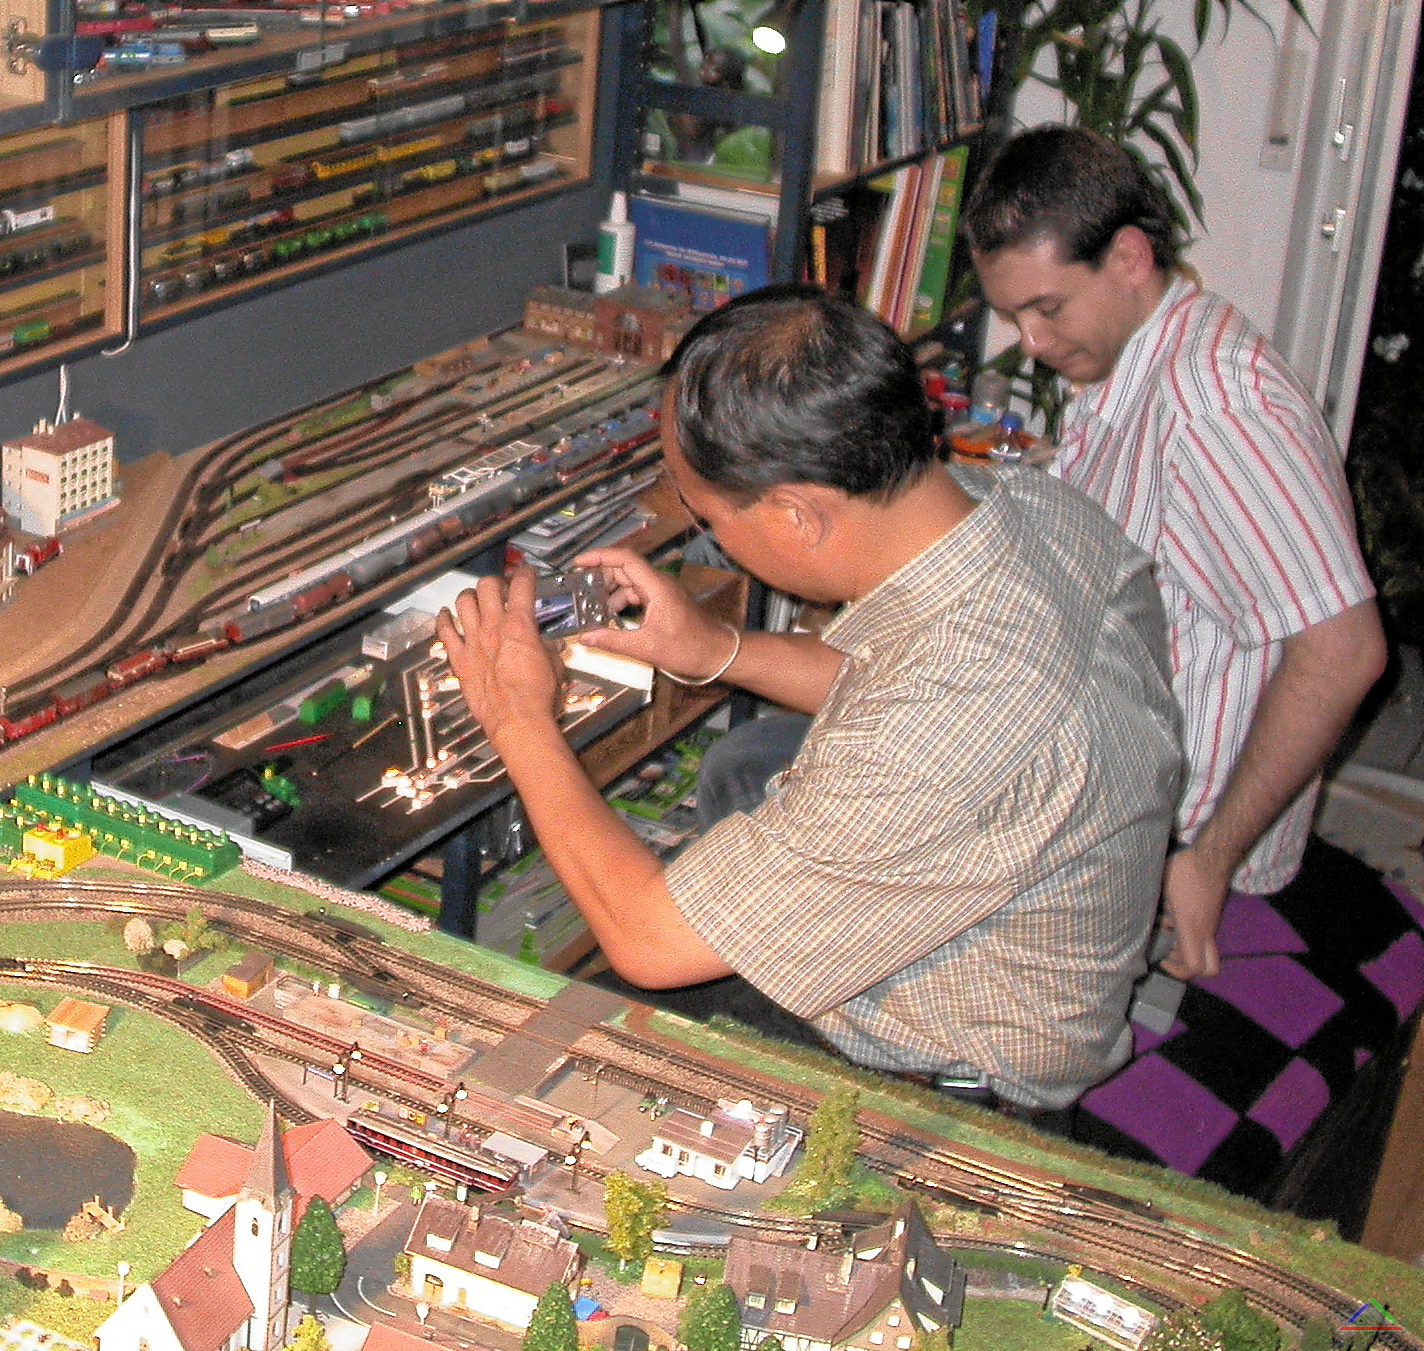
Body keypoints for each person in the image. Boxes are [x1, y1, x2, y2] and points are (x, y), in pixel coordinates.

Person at [437, 286, 1182, 1112]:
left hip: (942, 1085)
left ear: (795, 515)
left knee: (528, 1060)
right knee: (744, 765)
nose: (708, 533)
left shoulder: (941, 720)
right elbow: (893, 685)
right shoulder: (1030, 509)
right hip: (987, 940)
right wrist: (716, 650)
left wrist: (516, 717)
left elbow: (646, 938)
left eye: (706, 515)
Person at [963, 125, 1387, 982]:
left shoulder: (1212, 411)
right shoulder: (1133, 358)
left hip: (1157, 847)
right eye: (1013, 317)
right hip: (1098, 797)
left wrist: (1207, 858)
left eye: (1047, 308)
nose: (1031, 343)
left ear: (1128, 256)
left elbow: (1343, 651)